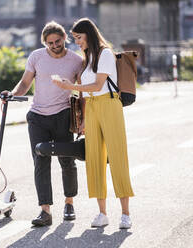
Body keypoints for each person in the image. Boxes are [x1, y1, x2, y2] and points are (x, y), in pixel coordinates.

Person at [51, 18, 134, 229]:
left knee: (117, 156)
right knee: (94, 158)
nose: (77, 42)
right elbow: (89, 92)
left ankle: (125, 214)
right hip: (94, 107)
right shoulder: (87, 58)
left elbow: (98, 85)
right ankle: (102, 213)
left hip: (109, 105)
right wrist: (84, 119)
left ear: (89, 34)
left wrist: (69, 85)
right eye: (75, 38)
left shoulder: (104, 53)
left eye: (79, 37)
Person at [1, 21, 83, 226]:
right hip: (38, 116)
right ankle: (45, 211)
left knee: (67, 159)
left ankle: (69, 203)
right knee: (40, 161)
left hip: (63, 115)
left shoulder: (76, 61)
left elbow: (81, 93)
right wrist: (12, 94)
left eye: (58, 41)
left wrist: (84, 120)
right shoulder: (36, 57)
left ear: (65, 38)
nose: (54, 46)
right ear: (44, 43)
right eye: (50, 43)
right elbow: (25, 83)